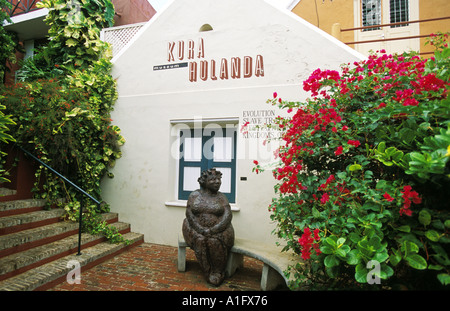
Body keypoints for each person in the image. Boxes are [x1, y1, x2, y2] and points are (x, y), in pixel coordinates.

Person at [182, 168, 235, 286]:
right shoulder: (194, 195)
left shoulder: (221, 197)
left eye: (219, 179)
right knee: (200, 240)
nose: (217, 182)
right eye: (213, 179)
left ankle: (218, 271)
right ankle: (207, 270)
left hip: (219, 229)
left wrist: (214, 229)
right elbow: (189, 214)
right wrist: (199, 229)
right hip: (194, 228)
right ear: (204, 182)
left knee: (213, 240)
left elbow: (227, 216)